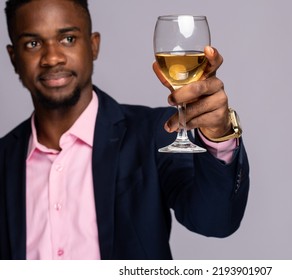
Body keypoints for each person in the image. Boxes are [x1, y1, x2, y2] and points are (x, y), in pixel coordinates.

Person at [0, 0, 250, 260]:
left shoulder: (154, 133)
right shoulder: (4, 158)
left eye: (68, 39)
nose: (52, 58)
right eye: (33, 43)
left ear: (93, 45)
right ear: (13, 57)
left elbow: (216, 221)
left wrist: (216, 134)